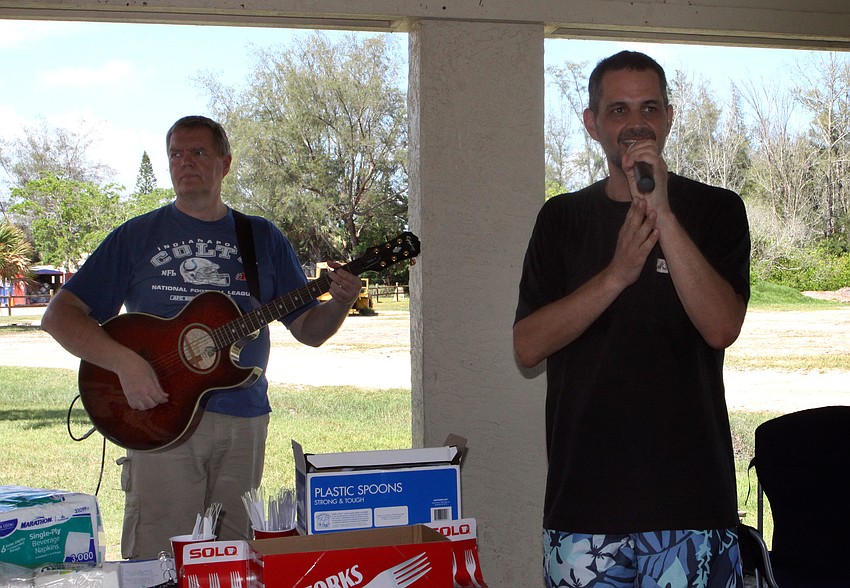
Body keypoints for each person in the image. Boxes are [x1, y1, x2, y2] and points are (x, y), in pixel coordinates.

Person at [41, 115, 362, 560]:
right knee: (161, 555)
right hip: (158, 414)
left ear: (225, 164)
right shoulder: (137, 235)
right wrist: (126, 364)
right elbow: (60, 316)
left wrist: (340, 302)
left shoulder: (261, 238)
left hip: (242, 417)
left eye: (199, 153)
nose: (185, 162)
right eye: (175, 153)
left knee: (236, 555)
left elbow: (309, 331)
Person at [513, 51, 750, 586]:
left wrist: (662, 212)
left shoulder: (718, 210)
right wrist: (616, 275)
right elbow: (527, 346)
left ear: (668, 116)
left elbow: (721, 327)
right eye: (617, 110)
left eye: (648, 107)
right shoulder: (561, 218)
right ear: (592, 123)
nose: (635, 123)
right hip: (584, 515)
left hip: (694, 512)